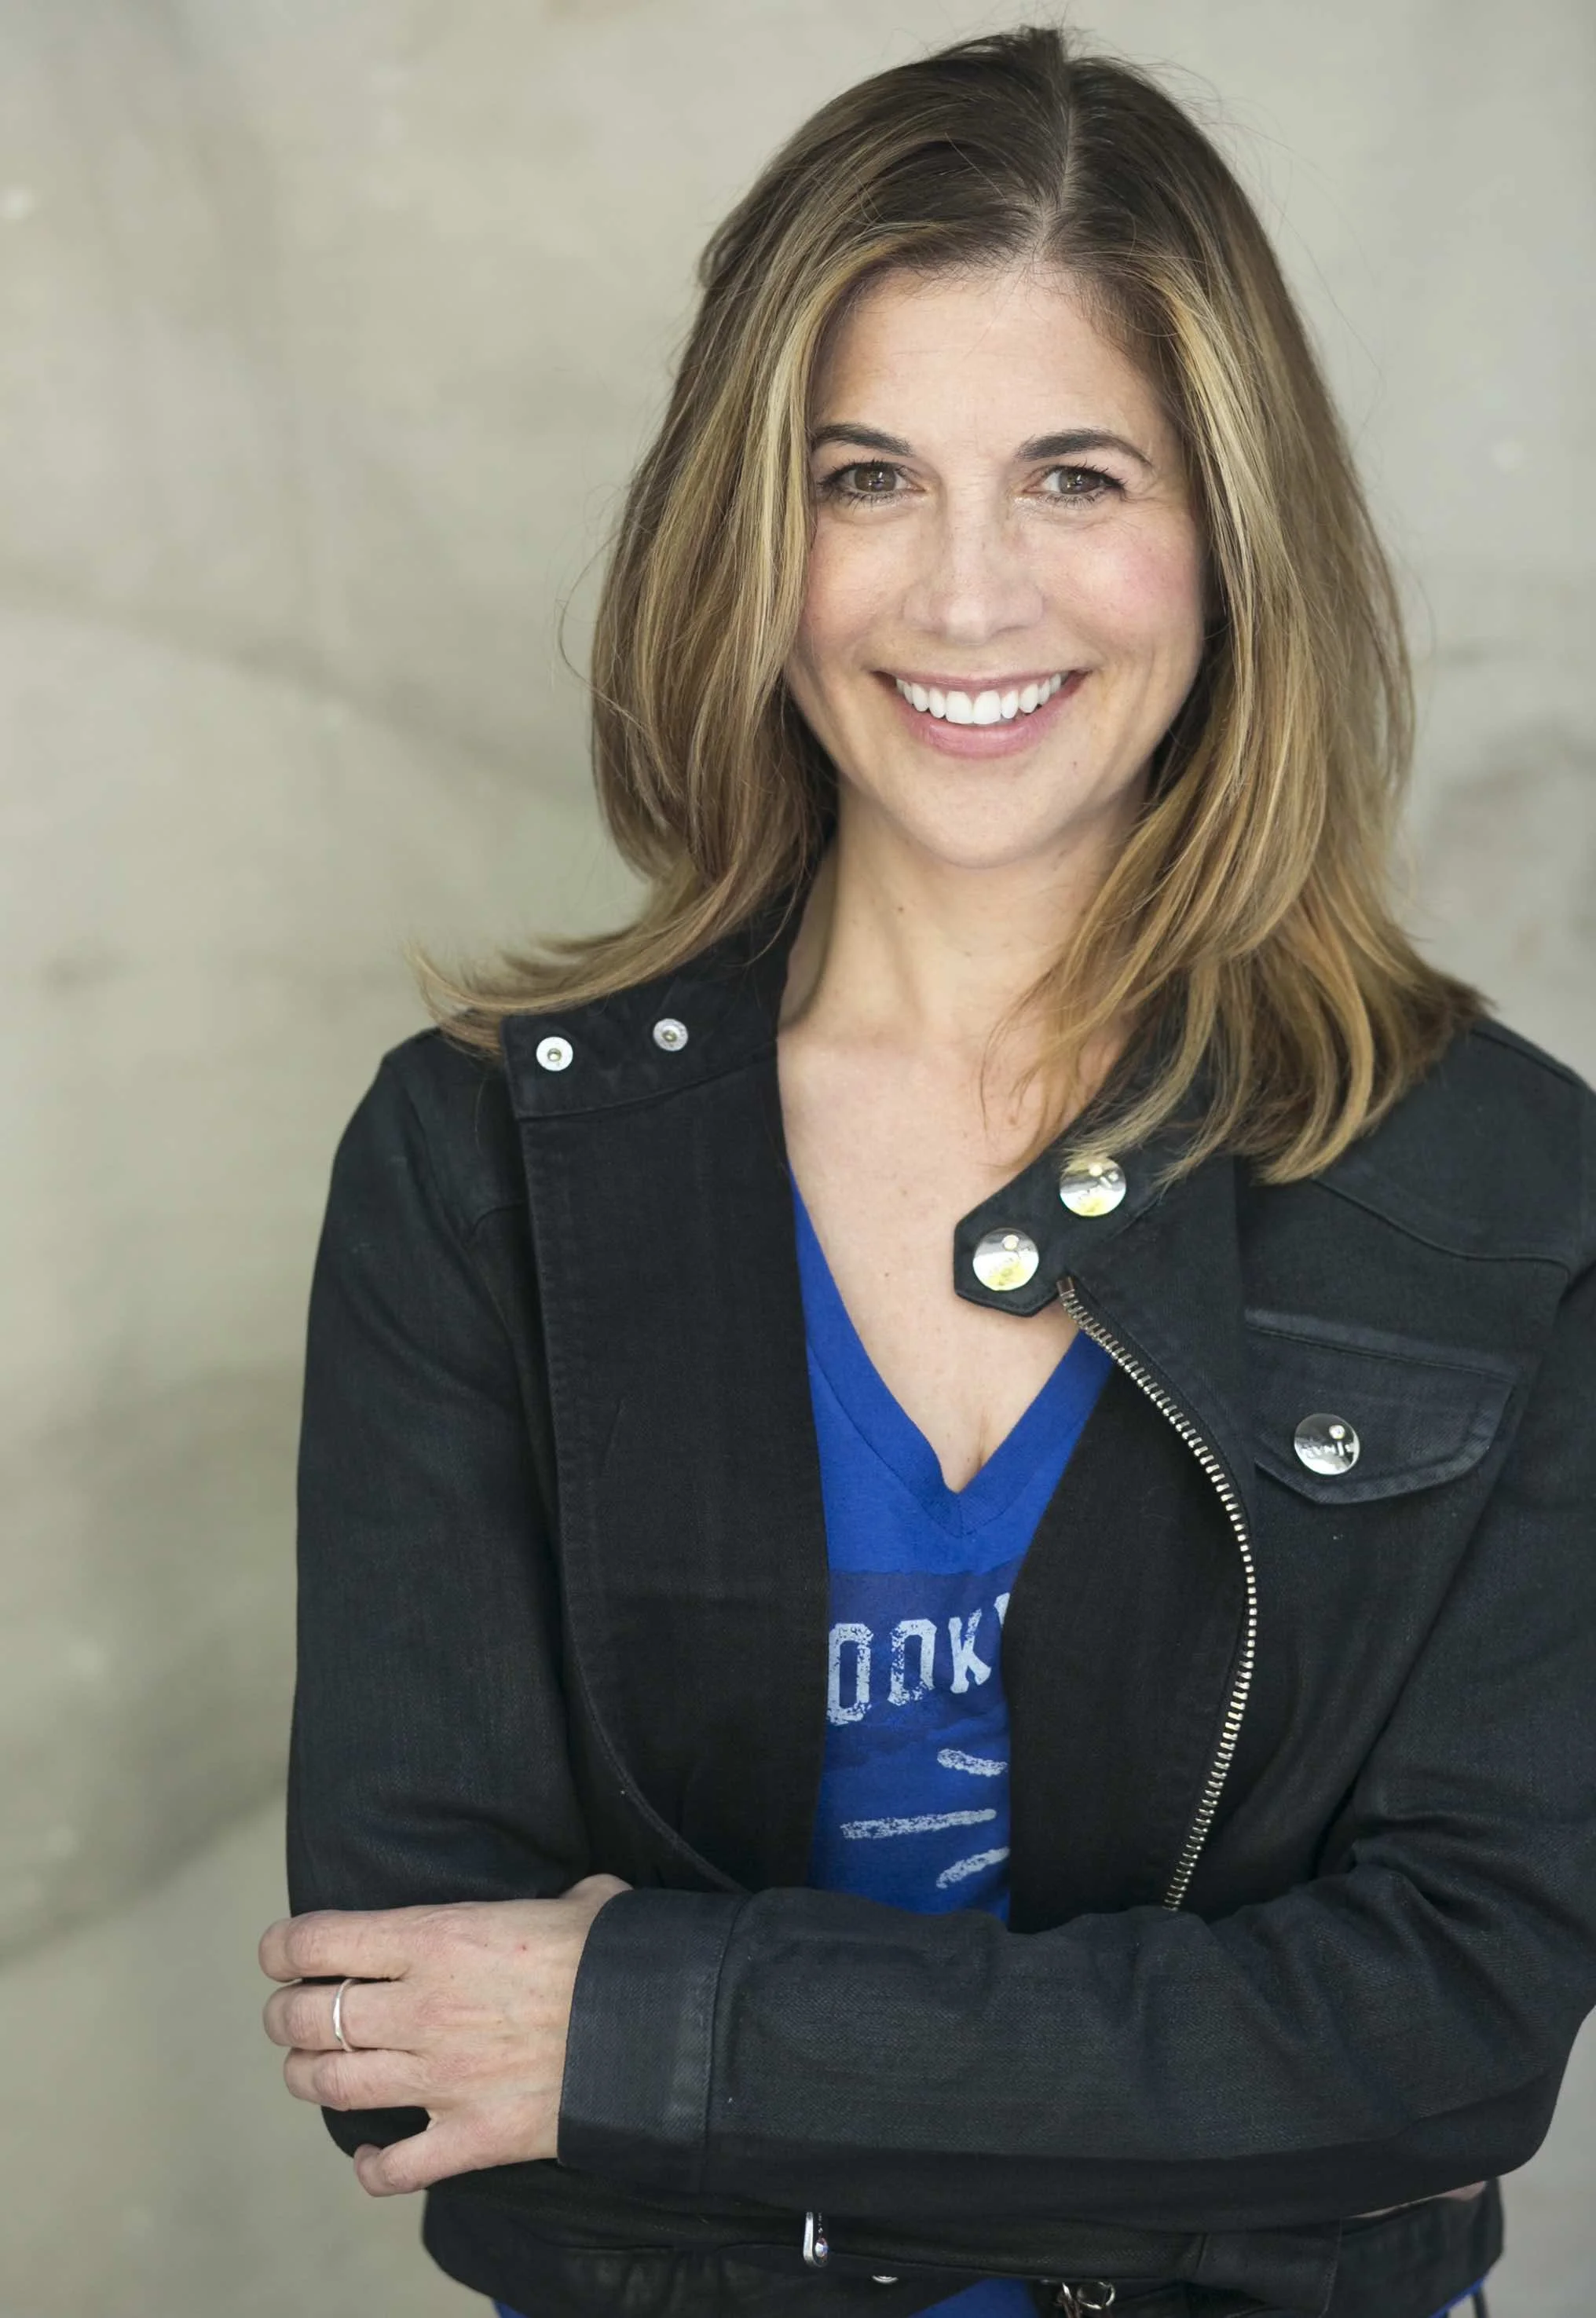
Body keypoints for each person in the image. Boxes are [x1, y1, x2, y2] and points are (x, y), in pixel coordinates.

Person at [258, 26, 1596, 2318]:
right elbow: (409, 2047)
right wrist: (1173, 2091)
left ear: (1227, 532)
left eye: (1077, 476)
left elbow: (1457, 2026)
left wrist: (650, 2030)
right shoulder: (477, 1165)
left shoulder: (1499, 1187)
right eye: (866, 477)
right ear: (752, 537)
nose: (968, 598)